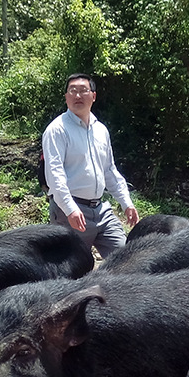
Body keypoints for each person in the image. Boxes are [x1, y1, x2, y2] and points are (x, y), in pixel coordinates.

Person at [43, 73, 139, 256]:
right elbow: (55, 175)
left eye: (83, 91)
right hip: (69, 210)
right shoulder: (57, 130)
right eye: (72, 91)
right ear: (66, 97)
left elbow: (109, 170)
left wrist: (126, 203)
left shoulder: (100, 130)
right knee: (73, 271)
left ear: (93, 96)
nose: (78, 96)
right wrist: (70, 209)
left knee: (124, 258)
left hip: (101, 210)